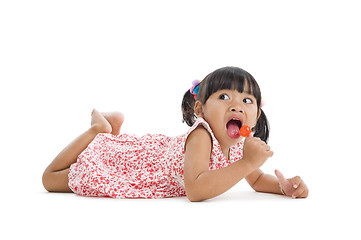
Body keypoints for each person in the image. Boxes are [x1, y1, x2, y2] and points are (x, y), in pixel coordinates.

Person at [42, 66, 309, 201]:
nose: (236, 105)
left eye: (247, 101)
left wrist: (283, 188)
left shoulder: (240, 142)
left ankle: (111, 132)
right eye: (224, 96)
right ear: (201, 109)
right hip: (138, 166)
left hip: (156, 156)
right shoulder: (202, 135)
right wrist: (248, 162)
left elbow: (257, 179)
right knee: (50, 180)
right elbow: (195, 189)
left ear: (257, 115)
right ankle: (98, 130)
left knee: (101, 153)